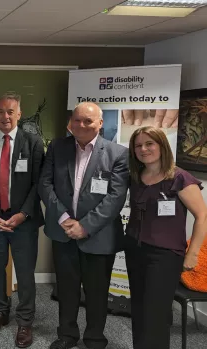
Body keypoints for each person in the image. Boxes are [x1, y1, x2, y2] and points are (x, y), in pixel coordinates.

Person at [39, 102, 129, 349]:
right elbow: (45, 185)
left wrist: (85, 226)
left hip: (99, 236)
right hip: (63, 231)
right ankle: (67, 335)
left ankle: (94, 338)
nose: (81, 125)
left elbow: (115, 198)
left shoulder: (117, 153)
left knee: (97, 292)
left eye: (88, 121)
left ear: (100, 123)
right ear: (71, 121)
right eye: (77, 120)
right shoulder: (58, 147)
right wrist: (64, 219)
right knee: (67, 289)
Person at [125, 126, 207, 349]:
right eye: (138, 145)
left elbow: (202, 216)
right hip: (135, 250)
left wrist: (193, 254)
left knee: (156, 314)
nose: (143, 149)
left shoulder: (179, 177)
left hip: (165, 255)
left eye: (149, 143)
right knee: (139, 309)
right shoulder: (137, 176)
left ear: (162, 145)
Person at [0, 93, 45, 348]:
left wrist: (23, 214)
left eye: (10, 112)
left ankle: (25, 321)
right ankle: (0, 312)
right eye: (1, 112)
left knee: (25, 273)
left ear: (19, 113)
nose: (5, 116)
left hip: (23, 222)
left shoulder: (34, 143)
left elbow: (39, 183)